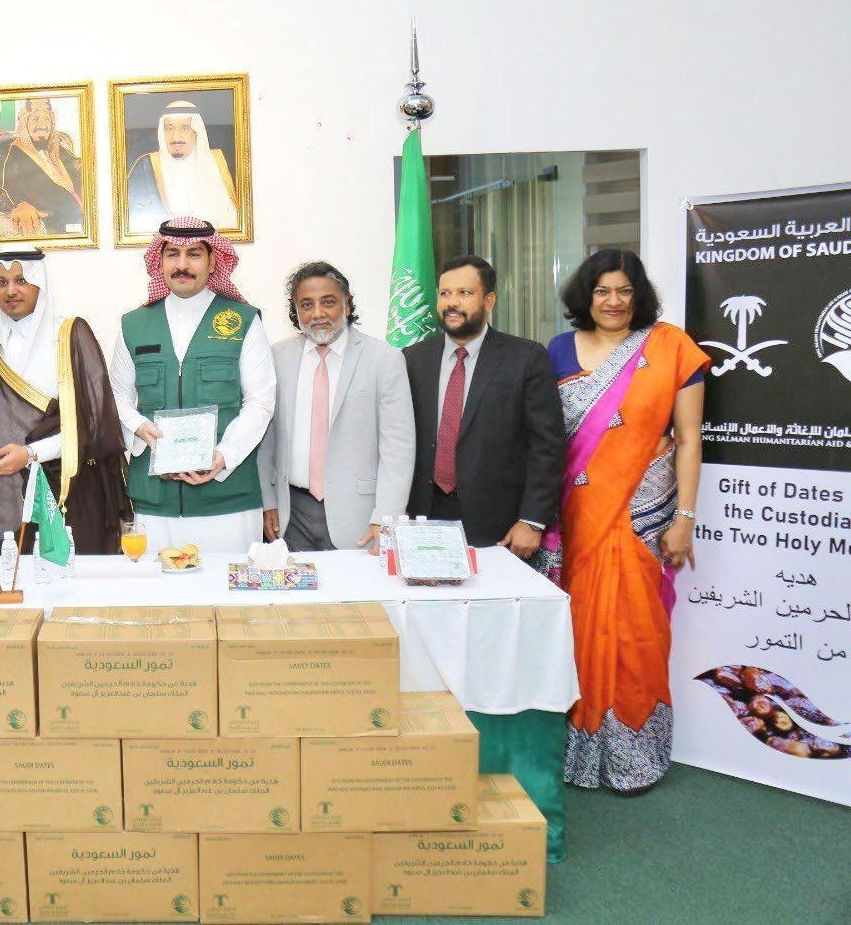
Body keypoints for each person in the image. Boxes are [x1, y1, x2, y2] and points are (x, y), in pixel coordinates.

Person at [539, 249, 709, 793]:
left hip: (644, 515)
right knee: (578, 628)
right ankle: (580, 753)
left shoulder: (670, 347)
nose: (613, 302)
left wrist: (684, 518)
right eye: (602, 291)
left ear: (639, 296)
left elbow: (688, 440)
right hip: (576, 517)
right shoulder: (557, 351)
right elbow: (545, 440)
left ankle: (637, 755)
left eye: (624, 291)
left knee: (638, 634)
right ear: (585, 296)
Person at [108, 216, 275, 553]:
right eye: (172, 254)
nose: (182, 265)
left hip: (228, 500)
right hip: (155, 501)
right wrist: (140, 427)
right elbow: (116, 395)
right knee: (157, 586)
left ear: (213, 262)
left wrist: (223, 455)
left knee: (228, 588)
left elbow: (260, 401)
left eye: (194, 254)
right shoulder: (134, 324)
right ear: (159, 261)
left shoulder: (242, 320)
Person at [0, 247, 129, 552]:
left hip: (68, 489)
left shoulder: (70, 334)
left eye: (21, 280)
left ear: (41, 284)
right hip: (2, 494)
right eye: (2, 282)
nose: (11, 291)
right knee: (8, 571)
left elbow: (95, 423)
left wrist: (30, 454)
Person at [403, 256, 564, 552]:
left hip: (499, 524)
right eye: (445, 293)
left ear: (489, 301)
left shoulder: (525, 358)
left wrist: (532, 521)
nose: (452, 302)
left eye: (464, 293)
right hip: (422, 516)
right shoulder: (412, 358)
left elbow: (547, 447)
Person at [259, 262, 414, 552]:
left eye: (328, 302)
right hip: (291, 515)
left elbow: (398, 448)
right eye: (307, 304)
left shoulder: (385, 360)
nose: (317, 313)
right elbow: (265, 437)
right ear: (295, 310)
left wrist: (385, 517)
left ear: (347, 304)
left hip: (360, 517)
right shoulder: (276, 357)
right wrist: (268, 501)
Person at [0, 99, 84, 238]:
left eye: (47, 119)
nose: (42, 125)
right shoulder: (2, 151)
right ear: (24, 121)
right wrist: (18, 205)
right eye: (36, 118)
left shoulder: (59, 150)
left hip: (82, 220)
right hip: (52, 225)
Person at [125, 99, 238, 232]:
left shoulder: (222, 163)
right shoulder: (145, 167)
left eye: (184, 128)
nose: (176, 137)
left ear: (196, 131)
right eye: (169, 128)